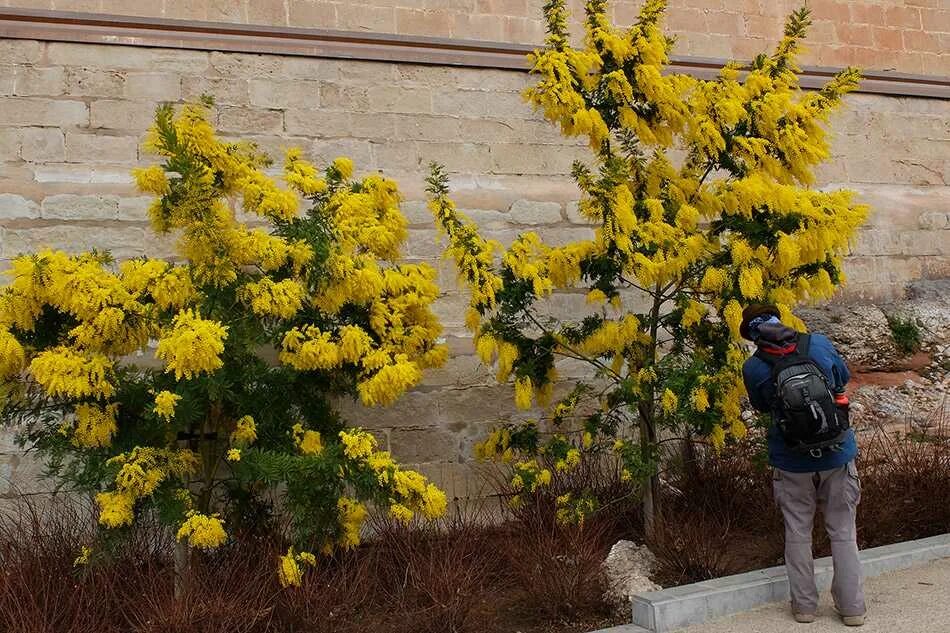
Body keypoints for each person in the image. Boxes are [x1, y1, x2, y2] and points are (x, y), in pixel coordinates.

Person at [740, 304, 865, 627]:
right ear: (779, 321)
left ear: (754, 335)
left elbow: (762, 406)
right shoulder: (819, 344)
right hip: (838, 453)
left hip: (791, 460)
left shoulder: (754, 367)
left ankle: (805, 608)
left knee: (797, 533)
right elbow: (843, 378)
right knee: (843, 532)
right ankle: (852, 609)